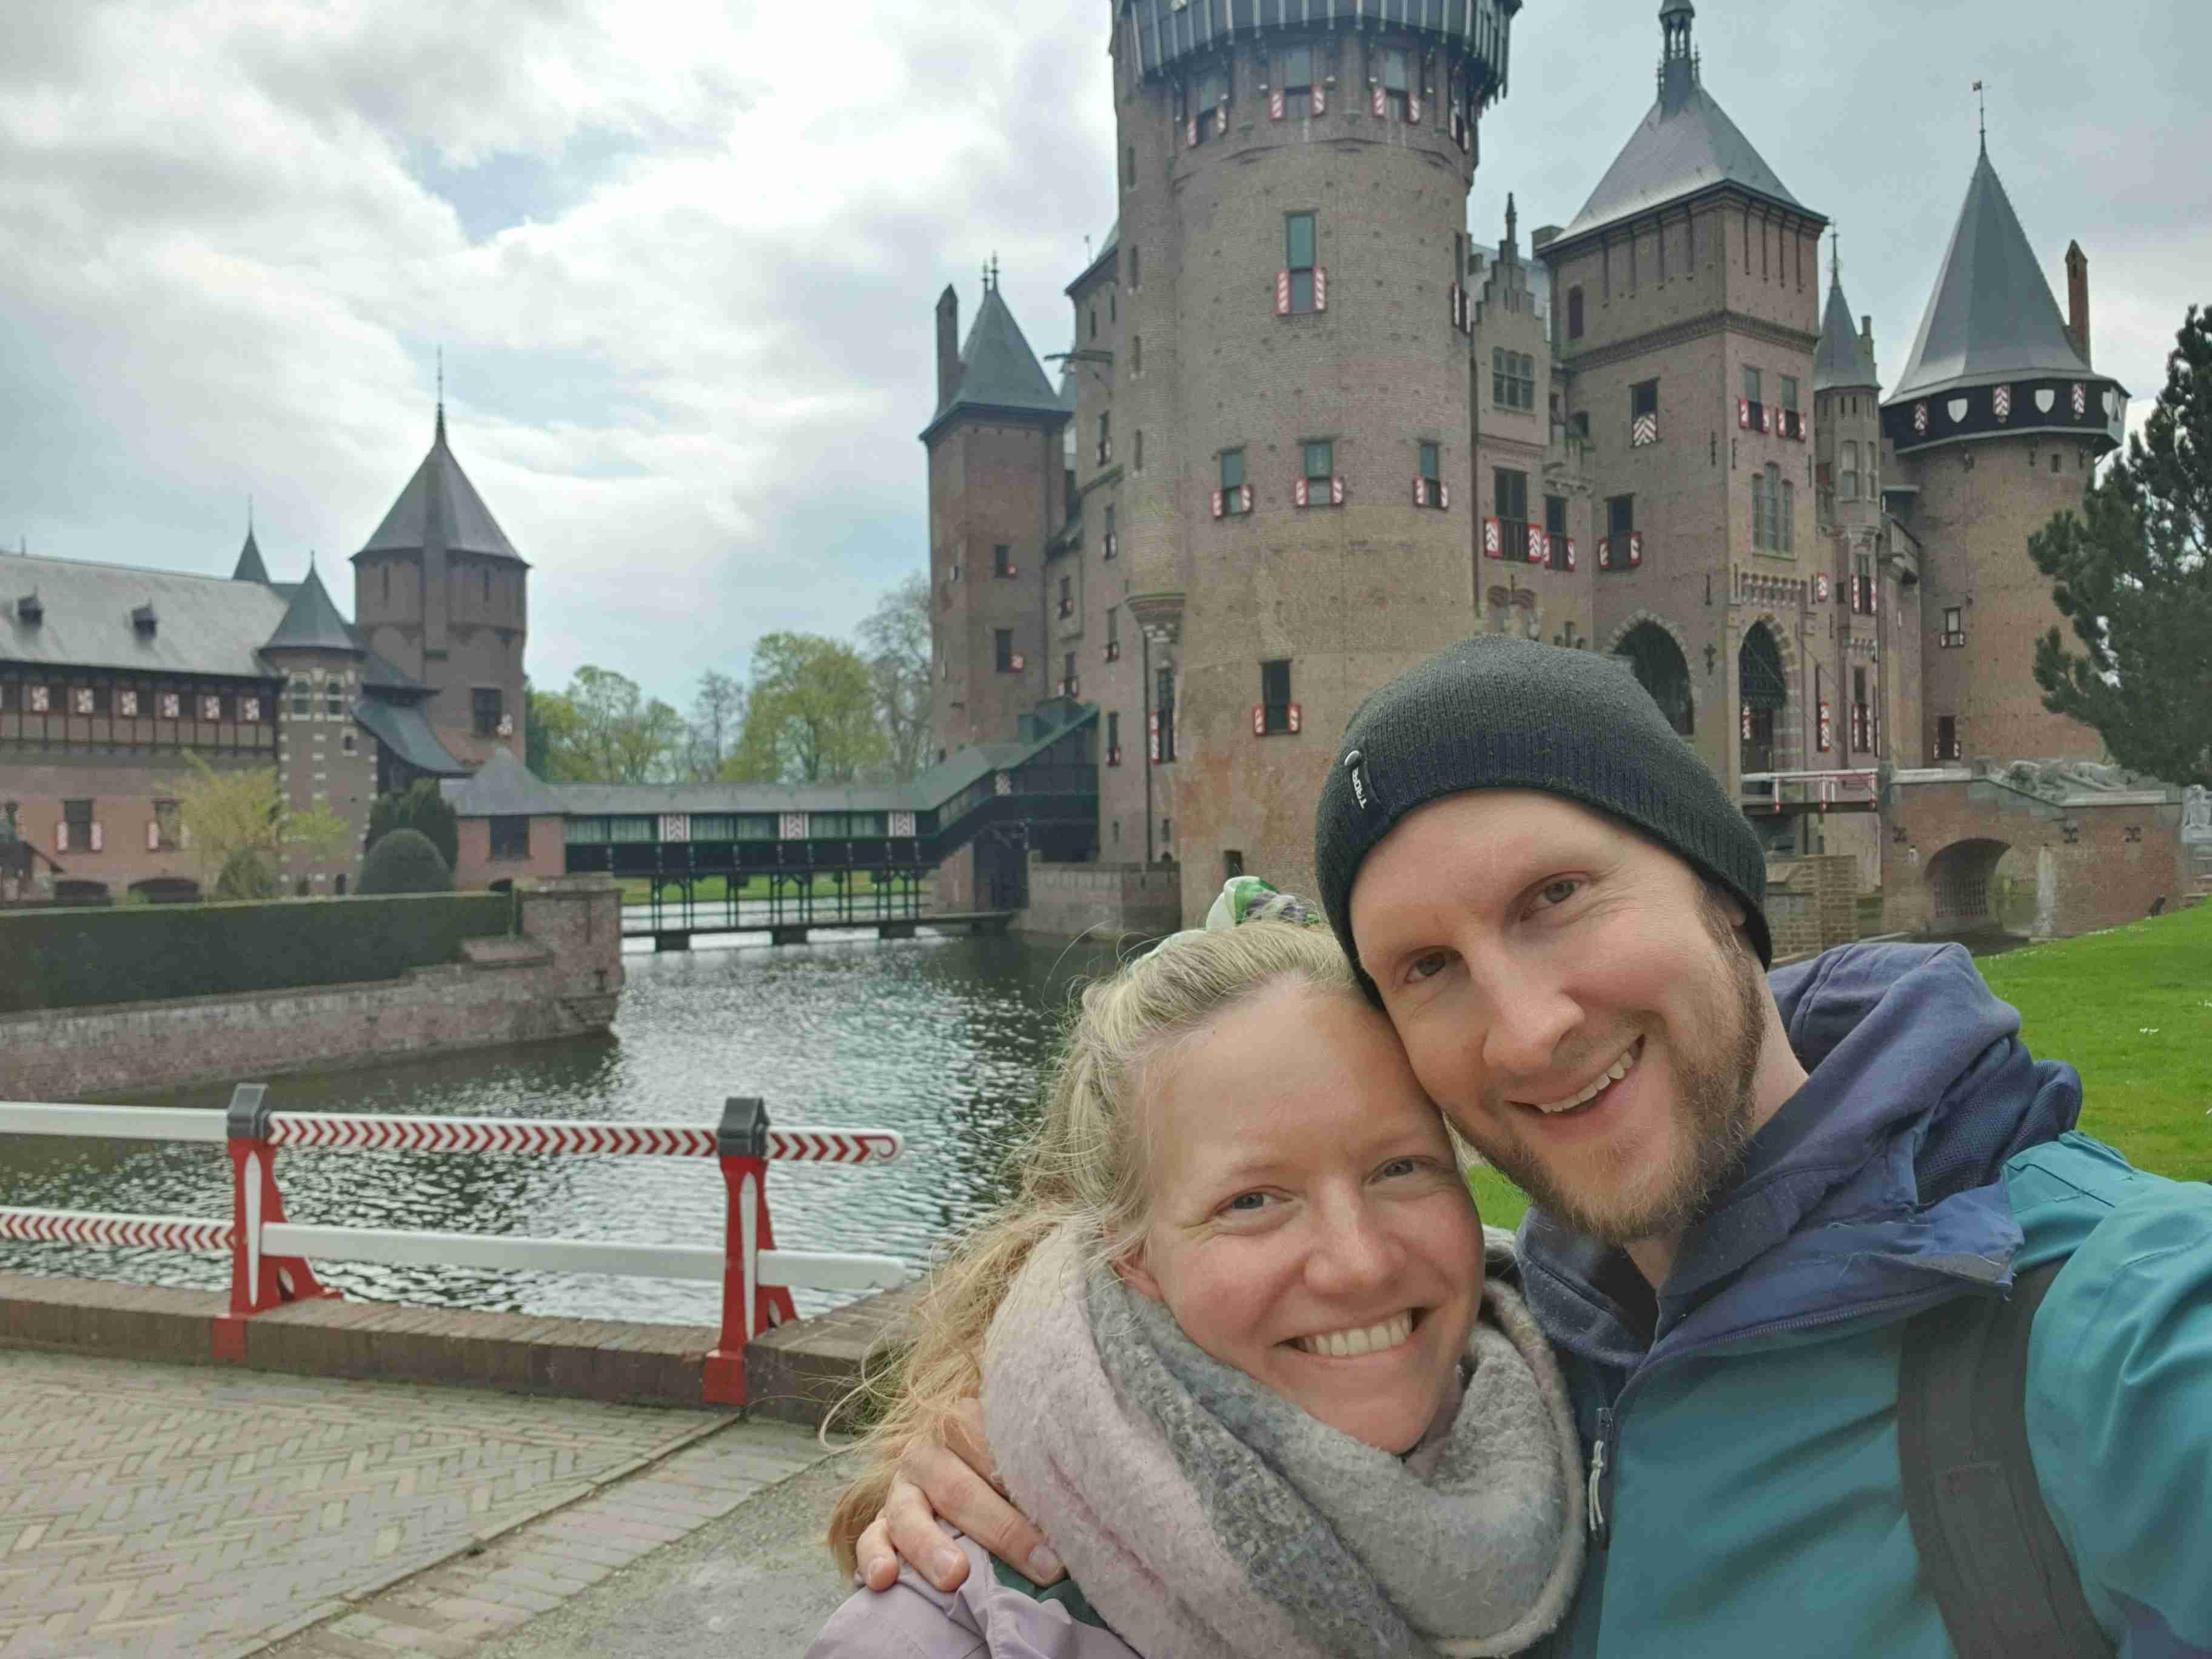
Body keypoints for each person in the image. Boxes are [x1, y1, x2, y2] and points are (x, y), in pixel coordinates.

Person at [848, 638, 2212, 1658]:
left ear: (1720, 885)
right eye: (1427, 966)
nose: (1527, 1029)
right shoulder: (1514, 1364)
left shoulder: (2108, 1334)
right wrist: (1037, 1433)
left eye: (1555, 896)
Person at [809, 907, 1586, 1657]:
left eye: (1401, 1168)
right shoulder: (941, 1632)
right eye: (1252, 1202)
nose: (1362, 1264)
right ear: (1129, 1255)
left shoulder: (1600, 1398)